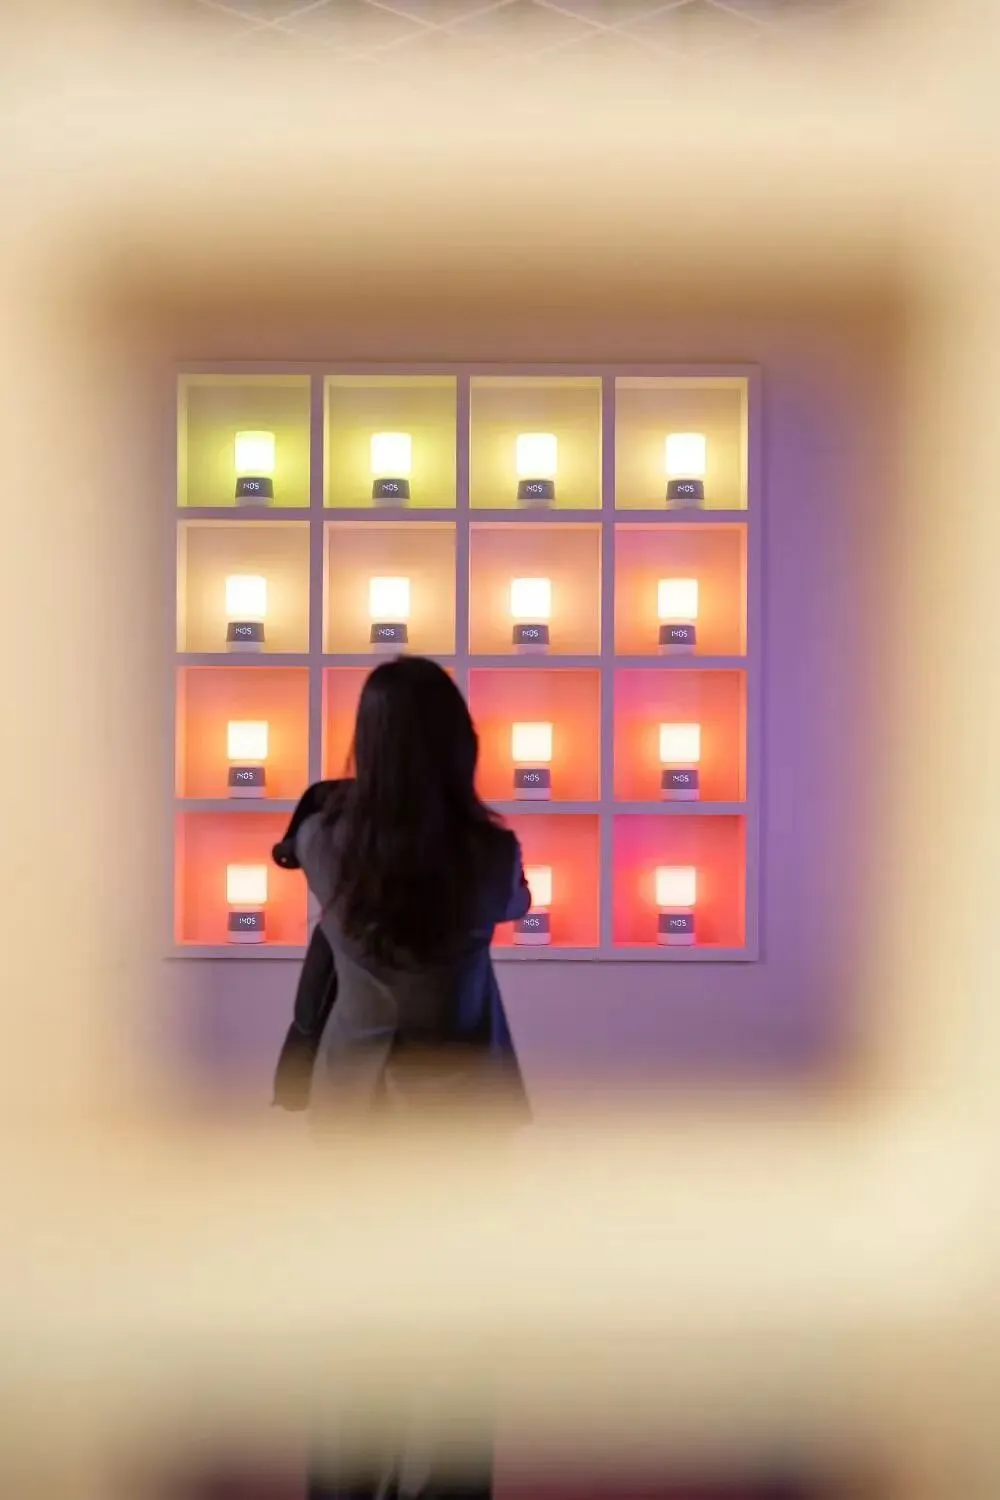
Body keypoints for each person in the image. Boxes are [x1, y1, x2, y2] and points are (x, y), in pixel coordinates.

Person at [271, 655, 532, 1499]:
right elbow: (517, 904)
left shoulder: (324, 841)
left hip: (353, 1104)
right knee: (461, 1329)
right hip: (462, 1114)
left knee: (350, 1324)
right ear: (460, 744)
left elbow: (298, 845)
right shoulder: (490, 853)